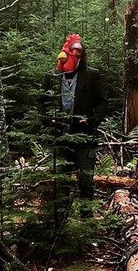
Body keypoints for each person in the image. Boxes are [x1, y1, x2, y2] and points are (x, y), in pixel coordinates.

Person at [39, 34, 108, 221]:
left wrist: (92, 121)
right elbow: (41, 102)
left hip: (85, 137)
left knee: (85, 180)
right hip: (60, 137)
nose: (74, 54)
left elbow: (103, 102)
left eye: (78, 51)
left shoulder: (92, 75)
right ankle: (61, 220)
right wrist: (48, 120)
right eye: (72, 51)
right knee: (61, 180)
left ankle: (86, 219)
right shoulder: (52, 77)